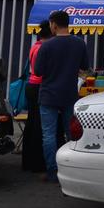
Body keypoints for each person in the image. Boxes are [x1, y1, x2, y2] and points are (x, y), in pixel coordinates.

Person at [34, 10, 90, 183]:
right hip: (69, 95)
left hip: (49, 96)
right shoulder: (79, 44)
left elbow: (37, 71)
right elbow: (85, 67)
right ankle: (71, 171)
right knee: (71, 134)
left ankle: (52, 172)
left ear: (54, 25)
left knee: (48, 135)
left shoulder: (46, 46)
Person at [22, 20, 52, 173]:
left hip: (32, 86)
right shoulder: (44, 48)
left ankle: (28, 161)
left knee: (32, 123)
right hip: (39, 87)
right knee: (39, 126)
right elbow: (43, 70)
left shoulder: (35, 46)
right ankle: (37, 163)